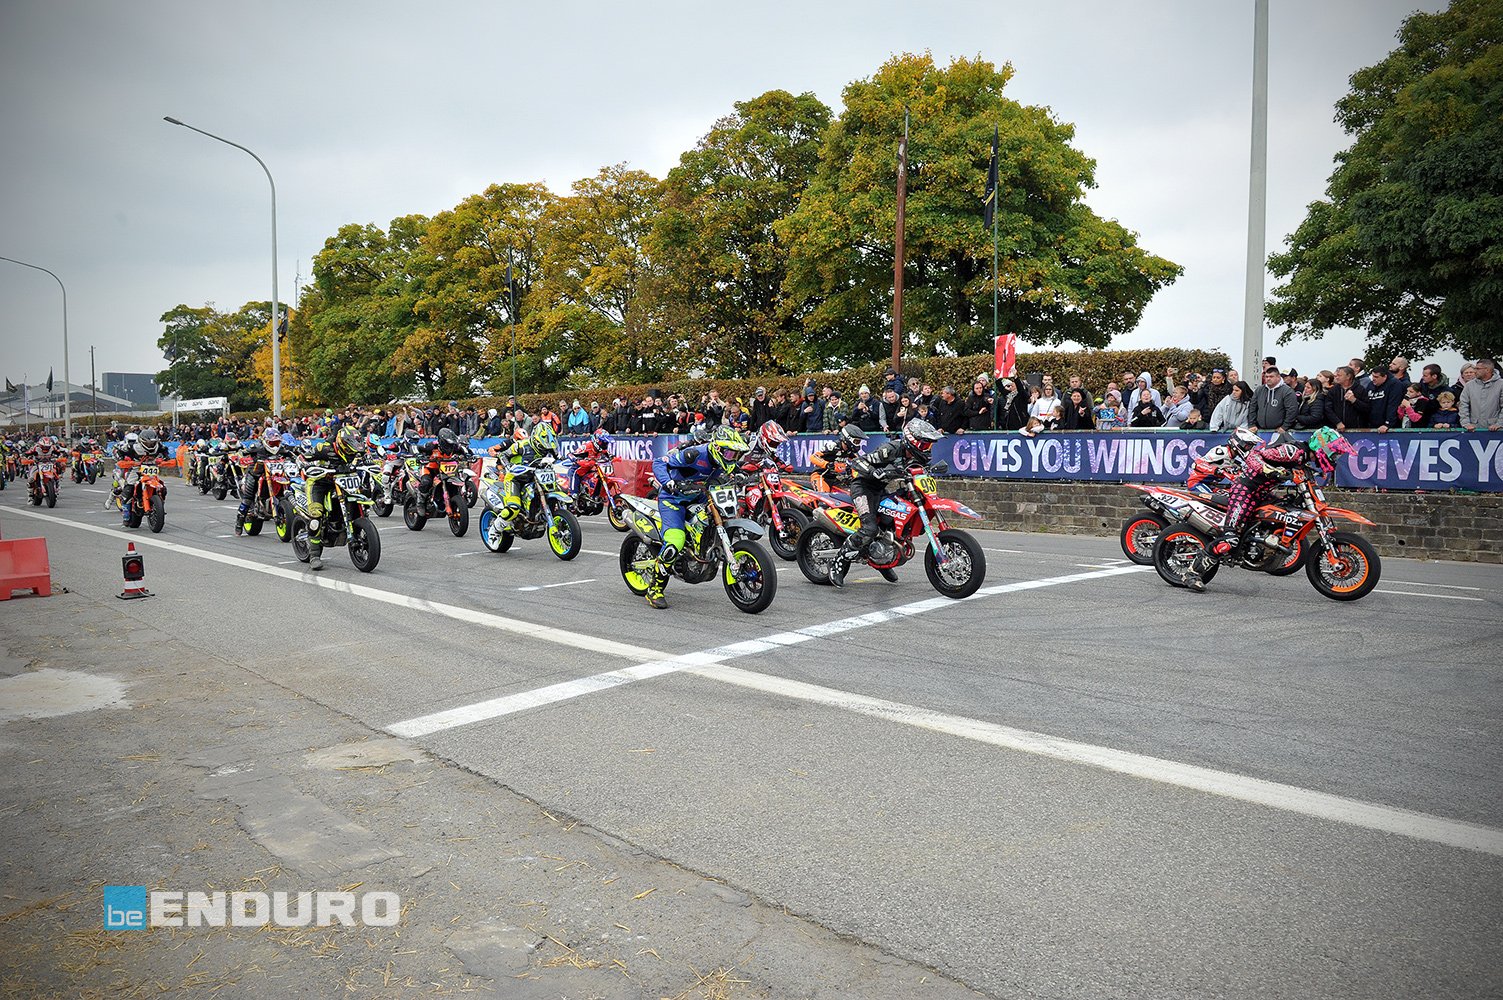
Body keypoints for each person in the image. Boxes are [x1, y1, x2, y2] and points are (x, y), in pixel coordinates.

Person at [1184, 427, 1356, 593]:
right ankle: (1192, 573)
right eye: (1334, 452)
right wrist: (1268, 469)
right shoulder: (1292, 451)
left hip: (1261, 493)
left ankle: (1262, 547)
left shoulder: (1303, 458)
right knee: (1230, 539)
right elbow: (1254, 455)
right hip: (1245, 490)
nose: (1335, 457)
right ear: (1322, 447)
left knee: (1284, 512)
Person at [639, 426, 751, 609]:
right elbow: (659, 462)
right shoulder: (693, 454)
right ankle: (654, 589)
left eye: (736, 455)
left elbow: (733, 468)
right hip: (674, 499)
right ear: (717, 448)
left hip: (701, 495)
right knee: (675, 541)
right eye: (730, 453)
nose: (732, 458)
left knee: (717, 520)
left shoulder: (724, 461)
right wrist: (668, 483)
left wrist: (742, 473)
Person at [827, 419, 945, 588]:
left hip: (881, 489)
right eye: (925, 445)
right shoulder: (890, 449)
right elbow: (858, 462)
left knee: (892, 524)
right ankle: (838, 562)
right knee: (869, 528)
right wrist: (874, 472)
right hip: (863, 488)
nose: (927, 449)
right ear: (913, 441)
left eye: (929, 445)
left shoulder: (917, 456)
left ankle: (882, 560)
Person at [302, 425, 365, 571]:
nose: (351, 452)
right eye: (349, 449)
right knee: (316, 514)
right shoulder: (324, 448)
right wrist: (307, 465)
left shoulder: (357, 449)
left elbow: (367, 458)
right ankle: (314, 555)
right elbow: (305, 457)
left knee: (359, 498)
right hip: (319, 482)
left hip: (342, 481)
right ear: (342, 443)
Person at [488, 422, 560, 529]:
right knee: (513, 508)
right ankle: (495, 529)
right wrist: (508, 466)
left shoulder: (550, 447)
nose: (545, 450)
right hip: (516, 477)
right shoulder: (521, 445)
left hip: (536, 476)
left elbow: (558, 457)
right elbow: (503, 454)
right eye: (542, 447)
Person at [234, 428, 283, 535]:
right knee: (248, 498)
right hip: (255, 474)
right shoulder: (256, 446)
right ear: (266, 441)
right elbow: (243, 453)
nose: (275, 445)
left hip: (273, 474)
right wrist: (244, 457)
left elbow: (291, 453)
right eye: (272, 443)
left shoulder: (281, 448)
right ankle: (239, 521)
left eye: (277, 443)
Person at [416, 426, 470, 514]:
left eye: (451, 444)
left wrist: (468, 455)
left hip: (446, 469)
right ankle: (420, 502)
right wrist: (419, 456)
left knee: (456, 480)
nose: (450, 446)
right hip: (430, 468)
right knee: (426, 482)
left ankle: (453, 498)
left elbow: (464, 450)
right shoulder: (431, 445)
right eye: (448, 444)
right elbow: (418, 448)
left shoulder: (455, 446)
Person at [1249, 366, 1299, 433]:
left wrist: (1285, 426)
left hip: (1279, 431)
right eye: (1266, 377)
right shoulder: (1259, 390)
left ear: (1278, 377)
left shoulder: (1287, 391)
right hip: (1260, 430)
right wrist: (1252, 424)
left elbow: (1292, 410)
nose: (1268, 379)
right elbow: (1252, 407)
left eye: (1271, 376)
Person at [1460, 358, 1502, 431]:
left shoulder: (1501, 384)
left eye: (1477, 369)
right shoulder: (1469, 385)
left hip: (1496, 430)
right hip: (1473, 429)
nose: (1475, 371)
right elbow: (1463, 405)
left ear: (1487, 370)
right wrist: (1466, 423)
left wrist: (1499, 424)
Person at [1325, 366, 1369, 431]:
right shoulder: (1333, 390)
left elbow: (1366, 408)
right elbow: (1328, 408)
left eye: (1339, 375)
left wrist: (1354, 400)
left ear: (1348, 376)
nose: (1336, 377)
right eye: (1336, 375)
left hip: (1356, 430)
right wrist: (1337, 422)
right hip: (1337, 429)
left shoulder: (1360, 389)